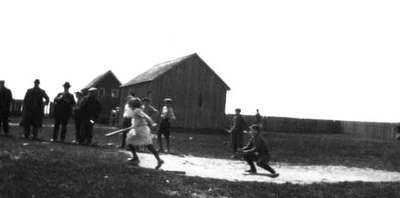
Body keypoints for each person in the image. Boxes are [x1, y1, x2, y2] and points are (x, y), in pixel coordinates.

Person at [125, 97, 164, 169]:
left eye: (130, 104)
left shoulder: (137, 110)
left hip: (141, 130)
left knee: (145, 145)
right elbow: (137, 120)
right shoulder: (136, 110)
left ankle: (136, 158)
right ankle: (136, 158)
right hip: (138, 129)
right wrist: (133, 125)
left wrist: (152, 123)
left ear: (132, 105)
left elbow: (146, 117)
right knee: (131, 142)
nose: (129, 106)